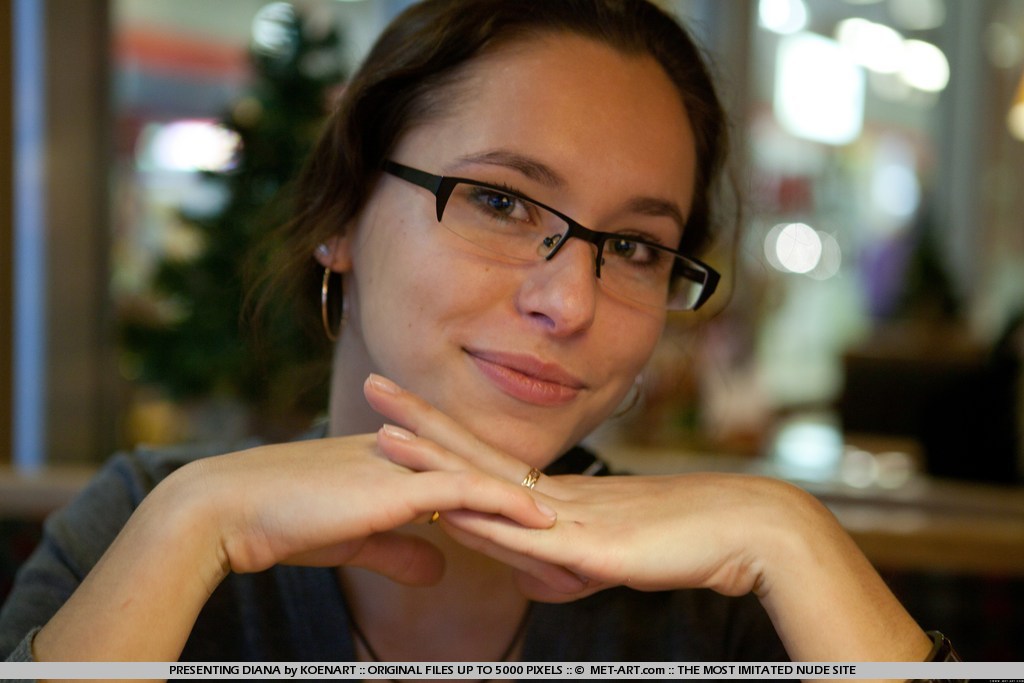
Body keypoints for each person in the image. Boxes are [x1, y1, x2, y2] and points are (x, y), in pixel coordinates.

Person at [1, 0, 956, 675]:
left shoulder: (722, 604)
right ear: (342, 212)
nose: (569, 303)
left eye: (632, 247)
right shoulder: (144, 528)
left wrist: (791, 534)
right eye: (500, 201)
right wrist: (194, 525)